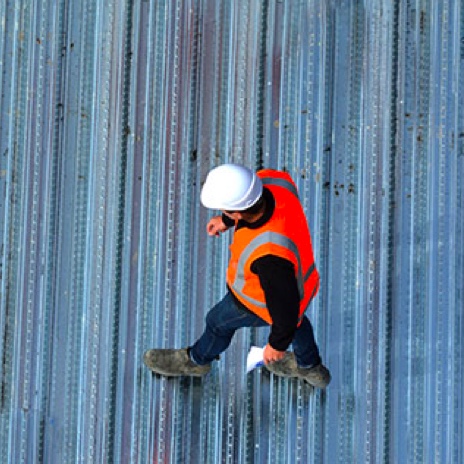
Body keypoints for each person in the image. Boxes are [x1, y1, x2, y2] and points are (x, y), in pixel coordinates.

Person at [144, 164, 331, 388]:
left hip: (255, 302)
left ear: (239, 212)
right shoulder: (275, 181)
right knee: (298, 321)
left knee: (217, 323)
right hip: (303, 282)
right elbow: (253, 204)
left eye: (225, 210)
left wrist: (277, 345)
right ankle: (310, 367)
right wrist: (227, 221)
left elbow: (285, 312)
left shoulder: (269, 257)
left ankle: (196, 361)